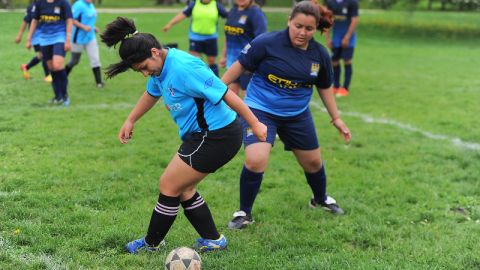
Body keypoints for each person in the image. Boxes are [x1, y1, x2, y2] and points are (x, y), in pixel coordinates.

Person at [100, 17, 267, 254]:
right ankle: (213, 240)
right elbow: (151, 93)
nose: (145, 73)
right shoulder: (160, 68)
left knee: (168, 184)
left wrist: (255, 123)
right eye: (140, 71)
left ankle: (151, 243)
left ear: (155, 52)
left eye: (145, 67)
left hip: (216, 136)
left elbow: (226, 93)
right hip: (202, 136)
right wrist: (131, 119)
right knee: (184, 188)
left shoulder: (184, 67)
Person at [221, 0, 352, 230]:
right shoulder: (266, 43)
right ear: (289, 21)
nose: (302, 32)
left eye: (309, 29)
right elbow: (239, 67)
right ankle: (244, 212)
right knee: (255, 159)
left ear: (316, 29)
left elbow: (325, 88)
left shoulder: (319, 55)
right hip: (260, 109)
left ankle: (319, 199)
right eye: (298, 26)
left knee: (313, 162)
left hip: (297, 114)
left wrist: (337, 118)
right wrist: (216, 91)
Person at [162, 0, 228, 76]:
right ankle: (196, 80)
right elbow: (182, 14)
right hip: (196, 38)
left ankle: (215, 81)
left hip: (211, 38)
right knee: (194, 61)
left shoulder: (216, 5)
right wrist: (170, 24)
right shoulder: (194, 4)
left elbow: (229, 17)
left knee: (211, 61)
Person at [26, 0, 73, 106]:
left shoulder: (63, 2)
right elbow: (34, 20)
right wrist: (29, 38)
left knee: (58, 65)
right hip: (44, 39)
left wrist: (68, 39)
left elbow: (69, 20)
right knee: (51, 68)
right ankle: (58, 97)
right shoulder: (39, 3)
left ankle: (65, 96)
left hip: (60, 37)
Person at [219, 0, 267, 96]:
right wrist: (224, 56)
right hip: (233, 63)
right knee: (230, 96)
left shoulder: (255, 12)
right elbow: (228, 36)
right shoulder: (233, 11)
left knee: (248, 98)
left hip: (247, 64)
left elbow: (261, 40)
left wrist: (255, 61)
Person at [65, 0, 104, 88]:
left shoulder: (91, 5)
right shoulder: (78, 5)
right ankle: (62, 77)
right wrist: (83, 27)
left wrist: (93, 27)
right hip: (77, 38)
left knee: (95, 59)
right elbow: (71, 20)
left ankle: (99, 83)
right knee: (74, 61)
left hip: (90, 37)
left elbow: (88, 19)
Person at [325, 0, 359, 97]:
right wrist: (327, 38)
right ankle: (336, 86)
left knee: (347, 61)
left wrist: (347, 37)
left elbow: (354, 20)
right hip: (336, 38)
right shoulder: (330, 2)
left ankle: (345, 88)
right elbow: (327, 20)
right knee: (334, 61)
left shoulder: (352, 2)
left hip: (349, 38)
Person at [15, 1, 51, 83]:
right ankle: (47, 75)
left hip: (46, 33)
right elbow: (25, 21)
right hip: (36, 35)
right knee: (44, 54)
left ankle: (26, 67)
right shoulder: (32, 7)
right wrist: (20, 35)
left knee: (40, 56)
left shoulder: (48, 4)